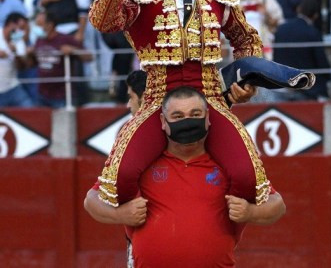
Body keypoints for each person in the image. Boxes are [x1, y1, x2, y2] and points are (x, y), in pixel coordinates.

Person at [89, 0, 271, 208]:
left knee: (249, 179)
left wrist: (245, 81)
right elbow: (104, 22)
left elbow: (246, 40)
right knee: (117, 182)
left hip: (211, 99)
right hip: (157, 100)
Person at [84, 86, 286, 267]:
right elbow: (91, 200)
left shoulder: (228, 166)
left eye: (195, 114)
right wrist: (120, 215)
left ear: (208, 118)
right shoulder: (143, 164)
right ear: (163, 121)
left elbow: (277, 205)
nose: (187, 121)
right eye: (178, 116)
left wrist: (250, 212)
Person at [273, 0, 331, 101]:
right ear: (315, 15)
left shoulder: (281, 29)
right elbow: (321, 62)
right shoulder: (313, 32)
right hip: (307, 88)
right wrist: (329, 75)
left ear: (299, 9)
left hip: (281, 84)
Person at [32, 10, 92, 108]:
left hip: (62, 96)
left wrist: (73, 50)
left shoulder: (65, 39)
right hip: (42, 95)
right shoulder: (39, 40)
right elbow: (35, 62)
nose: (36, 28)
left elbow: (89, 57)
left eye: (39, 25)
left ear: (50, 25)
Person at [0, 12, 34, 107]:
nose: (21, 32)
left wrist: (16, 54)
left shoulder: (18, 41)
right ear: (11, 24)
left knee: (31, 111)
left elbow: (22, 68)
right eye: (20, 28)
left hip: (12, 87)